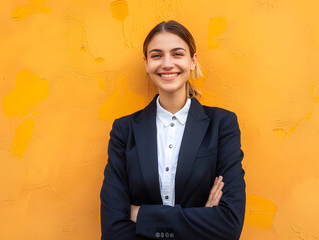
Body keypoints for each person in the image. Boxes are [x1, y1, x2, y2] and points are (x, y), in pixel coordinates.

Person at [100, 20, 246, 240]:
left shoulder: (222, 124)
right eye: (157, 55)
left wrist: (140, 214)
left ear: (193, 61)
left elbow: (228, 225)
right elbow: (113, 229)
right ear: (146, 63)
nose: (167, 64)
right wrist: (202, 217)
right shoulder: (124, 130)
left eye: (177, 54)